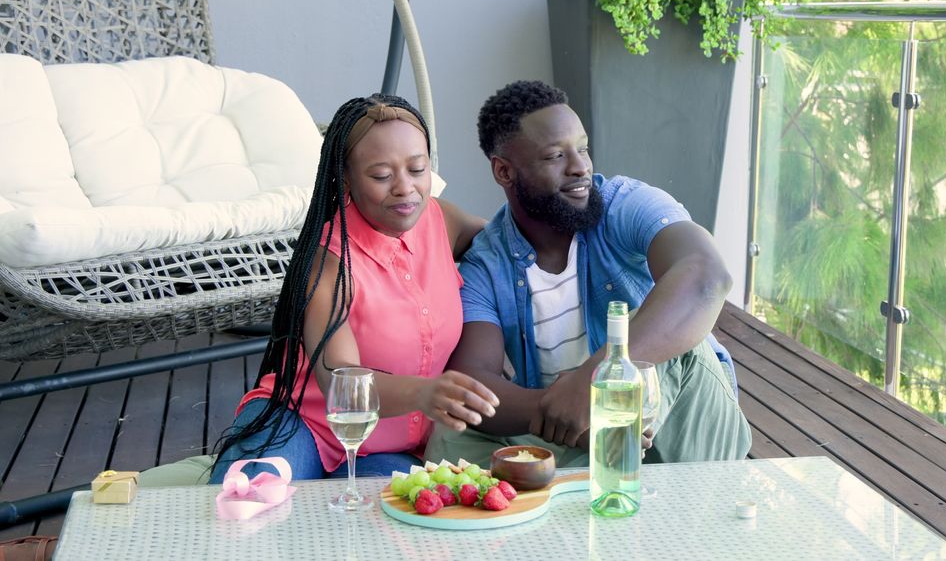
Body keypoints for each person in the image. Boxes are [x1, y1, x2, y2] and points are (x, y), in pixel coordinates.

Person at [424, 80, 751, 467]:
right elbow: (473, 378)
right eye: (555, 156)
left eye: (582, 149)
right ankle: (592, 463)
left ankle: (583, 474)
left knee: (652, 325)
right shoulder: (488, 261)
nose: (580, 167)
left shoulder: (625, 203)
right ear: (504, 171)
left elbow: (707, 276)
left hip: (686, 422)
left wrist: (593, 381)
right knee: (454, 430)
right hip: (577, 431)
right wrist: (560, 409)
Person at [208, 94, 500, 483]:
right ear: (346, 178)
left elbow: (509, 243)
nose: (405, 188)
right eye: (381, 176)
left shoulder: (441, 220)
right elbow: (340, 384)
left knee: (382, 516)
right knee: (249, 495)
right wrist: (425, 393)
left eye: (417, 169)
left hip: (392, 448)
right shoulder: (330, 260)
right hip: (304, 423)